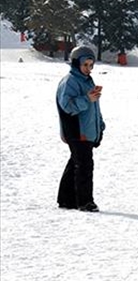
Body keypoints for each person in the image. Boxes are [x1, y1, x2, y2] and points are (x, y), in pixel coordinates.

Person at [57, 45, 105, 212]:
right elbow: (67, 106)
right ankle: (85, 201)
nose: (88, 68)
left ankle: (66, 198)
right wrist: (86, 99)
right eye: (85, 65)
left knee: (76, 163)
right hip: (77, 131)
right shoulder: (70, 81)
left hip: (87, 129)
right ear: (76, 63)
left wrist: (100, 124)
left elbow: (94, 106)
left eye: (91, 65)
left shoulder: (87, 80)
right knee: (84, 165)